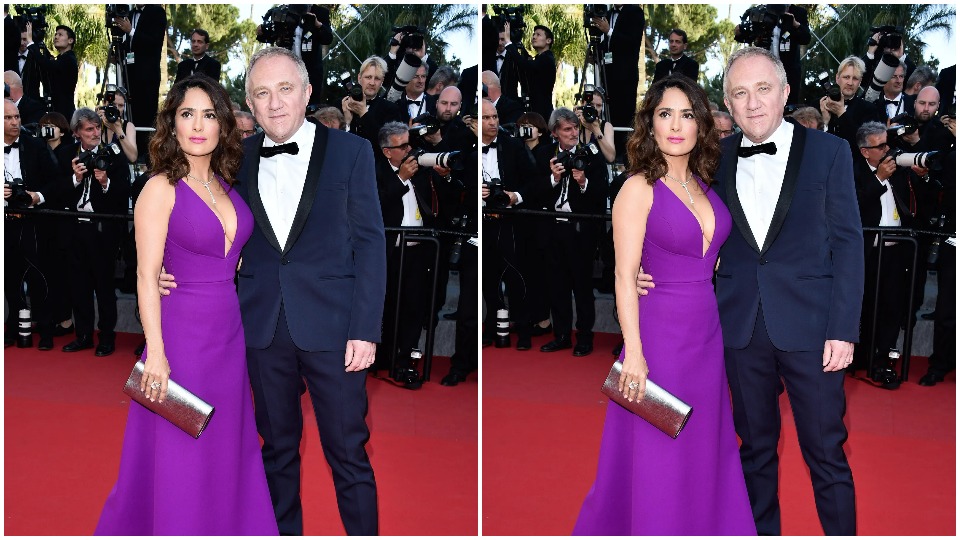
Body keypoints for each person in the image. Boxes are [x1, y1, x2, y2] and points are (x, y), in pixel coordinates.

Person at [638, 47, 863, 535]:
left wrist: (843, 329)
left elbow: (848, 246)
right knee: (755, 452)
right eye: (740, 93)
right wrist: (641, 267)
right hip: (739, 330)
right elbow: (671, 218)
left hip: (814, 331)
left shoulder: (830, 152)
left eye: (763, 89)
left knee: (825, 452)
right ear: (728, 104)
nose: (753, 102)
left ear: (784, 93)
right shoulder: (714, 160)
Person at [164, 47, 385, 535]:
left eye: (286, 89)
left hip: (336, 332)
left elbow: (371, 245)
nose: (276, 103)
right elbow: (199, 221)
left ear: (307, 93)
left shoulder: (352, 152)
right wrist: (165, 269)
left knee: (348, 453)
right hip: (261, 331)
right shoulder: (234, 161)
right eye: (262, 93)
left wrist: (365, 329)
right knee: (277, 453)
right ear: (249, 103)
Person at [95, 75, 277, 536]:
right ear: (172, 124)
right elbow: (144, 274)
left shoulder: (228, 187)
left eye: (209, 114)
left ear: (223, 126)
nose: (198, 125)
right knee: (181, 453)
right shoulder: (160, 188)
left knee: (224, 451)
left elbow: (231, 258)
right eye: (187, 113)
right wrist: (155, 353)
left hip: (227, 337)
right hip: (180, 338)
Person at [573, 73, 754, 535]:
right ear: (650, 125)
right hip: (659, 339)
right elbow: (623, 274)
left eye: (687, 114)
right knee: (659, 453)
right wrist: (633, 353)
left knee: (702, 451)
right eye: (665, 113)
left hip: (705, 337)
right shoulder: (638, 188)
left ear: (701, 125)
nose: (676, 125)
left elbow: (709, 255)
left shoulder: (706, 187)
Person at [60, 108, 131, 357]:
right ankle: (83, 335)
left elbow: (125, 192)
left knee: (103, 286)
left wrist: (105, 183)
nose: (95, 133)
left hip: (102, 230)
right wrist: (75, 180)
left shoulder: (113, 155)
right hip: (75, 229)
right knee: (78, 286)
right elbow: (57, 193)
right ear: (77, 132)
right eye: (89, 129)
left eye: (97, 128)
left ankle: (107, 338)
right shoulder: (67, 155)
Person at [538, 107, 608, 357]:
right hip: (553, 228)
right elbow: (534, 192)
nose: (573, 133)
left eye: (576, 128)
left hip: (580, 230)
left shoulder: (591, 154)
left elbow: (603, 192)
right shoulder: (545, 154)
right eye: (567, 129)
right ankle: (562, 335)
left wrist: (583, 183)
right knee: (556, 285)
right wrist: (553, 179)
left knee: (582, 286)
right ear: (555, 132)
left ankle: (585, 337)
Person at [3, 99, 62, 349]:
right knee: (8, 279)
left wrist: (36, 196)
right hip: (4, 224)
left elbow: (57, 182)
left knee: (39, 275)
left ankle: (46, 329)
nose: (15, 122)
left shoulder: (35, 146)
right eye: (8, 118)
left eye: (16, 117)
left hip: (32, 223)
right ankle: (12, 328)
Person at [114, 4, 166, 160]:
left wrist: (131, 30)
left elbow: (154, 42)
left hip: (146, 76)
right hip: (128, 74)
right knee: (128, 114)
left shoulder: (156, 11)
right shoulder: (128, 13)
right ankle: (128, 151)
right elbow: (129, 44)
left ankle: (146, 156)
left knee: (145, 114)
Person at [592, 4, 645, 139]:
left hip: (625, 74)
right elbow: (605, 42)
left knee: (625, 113)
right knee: (609, 112)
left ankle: (625, 150)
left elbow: (632, 42)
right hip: (607, 72)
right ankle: (609, 145)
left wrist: (608, 30)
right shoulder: (607, 13)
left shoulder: (635, 11)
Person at [342, 55, 402, 152]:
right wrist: (347, 122)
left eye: (377, 78)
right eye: (368, 77)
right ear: (359, 78)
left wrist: (363, 114)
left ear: (382, 82)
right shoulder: (342, 104)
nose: (372, 82)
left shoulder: (391, 109)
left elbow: (387, 145)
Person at [24, 23, 78, 119]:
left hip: (64, 114)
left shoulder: (69, 59)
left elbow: (46, 65)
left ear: (70, 40)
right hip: (56, 111)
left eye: (60, 35)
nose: (56, 37)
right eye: (55, 34)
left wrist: (31, 43)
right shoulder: (61, 58)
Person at [96, 87, 138, 163]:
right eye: (113, 104)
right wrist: (95, 121)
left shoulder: (128, 126)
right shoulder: (96, 123)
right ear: (104, 104)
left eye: (121, 105)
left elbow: (133, 157)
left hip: (120, 172)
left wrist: (119, 131)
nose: (117, 108)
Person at [575, 88, 616, 163]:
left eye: (599, 105)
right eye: (590, 104)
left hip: (598, 171)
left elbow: (611, 158)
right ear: (582, 104)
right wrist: (573, 121)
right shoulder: (575, 123)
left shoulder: (606, 126)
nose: (595, 109)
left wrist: (597, 130)